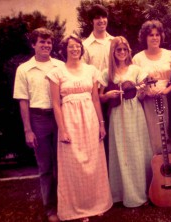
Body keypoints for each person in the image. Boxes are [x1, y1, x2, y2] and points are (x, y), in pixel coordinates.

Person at [47, 35, 112, 221]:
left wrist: (101, 124)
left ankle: (96, 204)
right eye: (71, 47)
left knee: (94, 163)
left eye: (77, 46)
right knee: (74, 165)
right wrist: (63, 129)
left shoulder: (91, 70)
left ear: (81, 49)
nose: (75, 49)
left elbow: (95, 99)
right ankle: (78, 208)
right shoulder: (56, 73)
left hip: (90, 119)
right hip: (69, 120)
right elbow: (56, 103)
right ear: (64, 50)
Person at [13, 27, 62, 222]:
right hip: (38, 119)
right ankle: (51, 210)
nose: (46, 45)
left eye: (49, 42)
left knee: (64, 165)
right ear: (33, 44)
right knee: (46, 167)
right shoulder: (24, 69)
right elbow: (23, 101)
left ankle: (67, 204)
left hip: (60, 117)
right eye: (42, 42)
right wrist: (28, 130)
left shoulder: (60, 66)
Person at [99, 36, 153, 207]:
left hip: (135, 112)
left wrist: (143, 90)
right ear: (113, 52)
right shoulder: (107, 73)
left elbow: (143, 94)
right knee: (122, 152)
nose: (122, 52)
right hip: (117, 114)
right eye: (118, 50)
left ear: (129, 51)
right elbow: (99, 96)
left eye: (124, 49)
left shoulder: (136, 69)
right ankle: (122, 193)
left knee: (138, 151)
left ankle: (142, 193)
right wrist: (107, 95)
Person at [133, 20, 171, 157]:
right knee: (153, 135)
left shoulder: (170, 55)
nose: (154, 38)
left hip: (169, 99)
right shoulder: (137, 58)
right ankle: (158, 173)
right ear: (145, 38)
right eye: (150, 35)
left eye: (157, 34)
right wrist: (145, 92)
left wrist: (166, 90)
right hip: (149, 102)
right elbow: (135, 84)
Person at [82, 4, 114, 163]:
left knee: (116, 134)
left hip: (115, 91)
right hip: (95, 94)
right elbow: (83, 72)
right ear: (91, 21)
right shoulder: (85, 46)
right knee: (100, 133)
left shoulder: (114, 41)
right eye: (97, 17)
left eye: (103, 17)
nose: (101, 20)